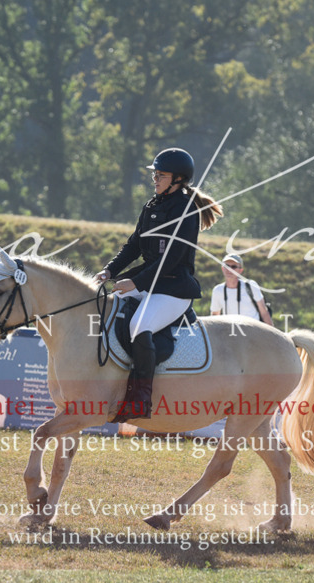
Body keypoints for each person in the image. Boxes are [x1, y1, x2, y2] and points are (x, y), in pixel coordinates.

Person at [94, 147, 223, 420]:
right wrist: (109, 271)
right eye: (155, 174)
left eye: (160, 175)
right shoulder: (152, 205)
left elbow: (172, 260)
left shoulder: (186, 211)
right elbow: (133, 246)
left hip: (174, 289)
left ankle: (140, 399)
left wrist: (135, 282)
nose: (155, 179)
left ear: (177, 178)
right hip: (150, 284)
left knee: (138, 325)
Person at [210, 253, 273, 326]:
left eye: (234, 266)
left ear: (240, 270)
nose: (229, 269)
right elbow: (215, 316)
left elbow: (264, 312)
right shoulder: (218, 290)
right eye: (226, 266)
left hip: (253, 332)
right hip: (230, 334)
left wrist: (273, 335)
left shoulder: (251, 286)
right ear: (222, 268)